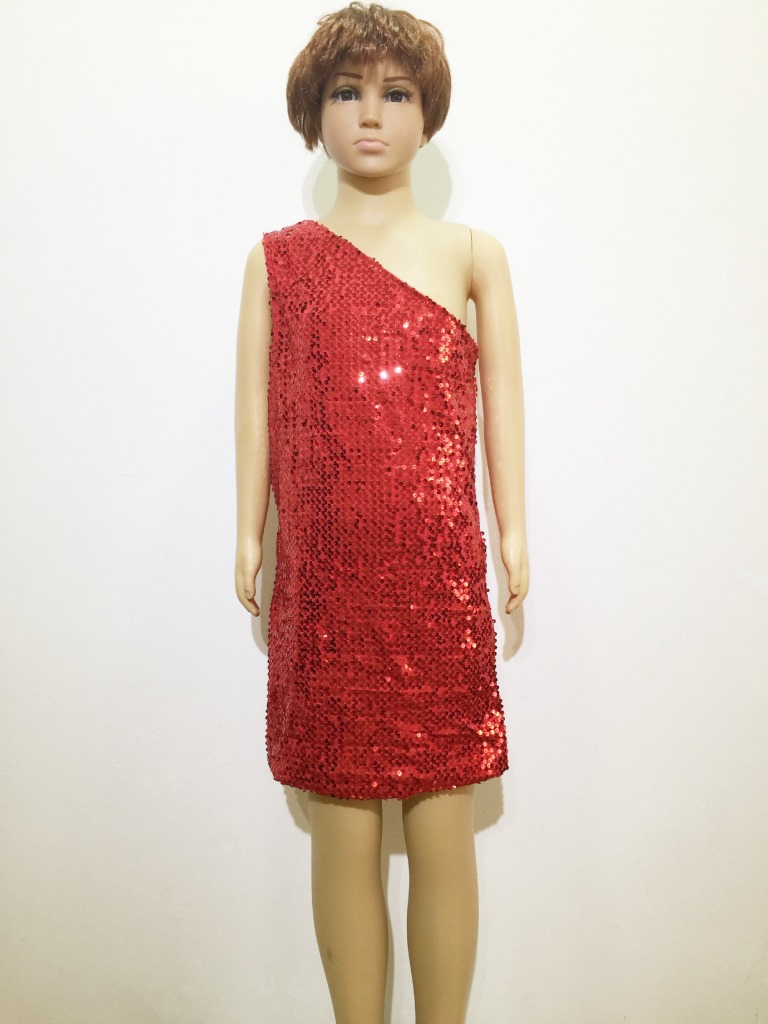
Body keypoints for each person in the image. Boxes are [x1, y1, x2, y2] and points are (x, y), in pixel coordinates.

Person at [234, 4, 528, 1022]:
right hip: (326, 590)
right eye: (347, 92)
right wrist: (249, 533)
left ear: (427, 114)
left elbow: (504, 408)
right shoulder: (278, 261)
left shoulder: (473, 254)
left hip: (437, 587)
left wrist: (512, 532)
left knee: (443, 825)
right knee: (344, 831)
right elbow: (257, 408)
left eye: (396, 94)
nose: (371, 114)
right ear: (312, 113)